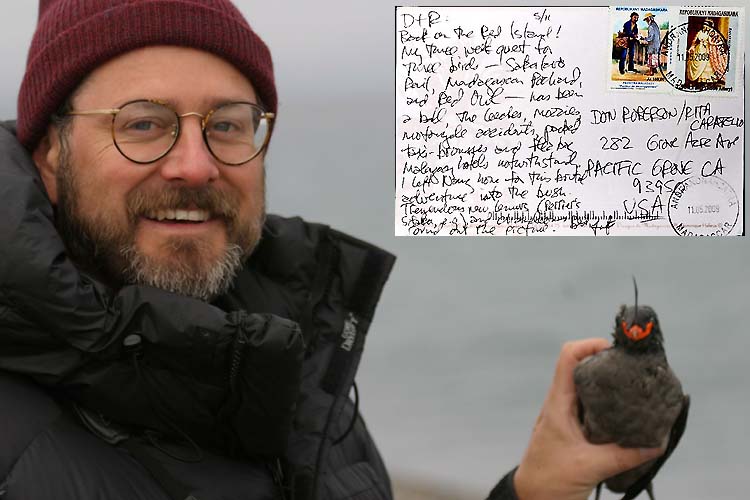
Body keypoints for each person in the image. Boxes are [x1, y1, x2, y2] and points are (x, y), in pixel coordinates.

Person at [0, 2, 665, 499]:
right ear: (50, 154)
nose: (196, 165)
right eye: (143, 124)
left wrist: (534, 491)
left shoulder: (282, 352)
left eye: (228, 124)